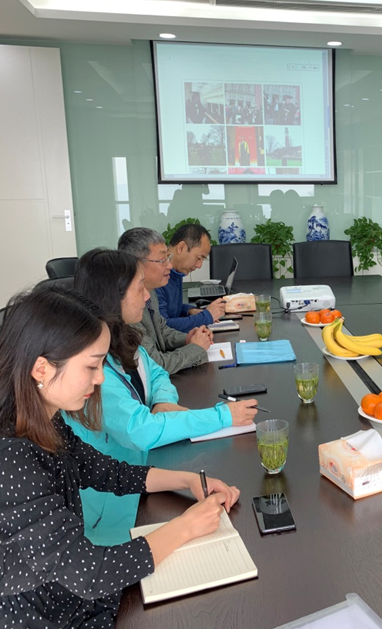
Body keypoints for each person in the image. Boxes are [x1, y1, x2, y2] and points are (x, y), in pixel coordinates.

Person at [0, 287, 240, 626]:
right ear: (41, 369)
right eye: (92, 365)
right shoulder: (6, 463)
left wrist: (187, 480)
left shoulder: (35, 419)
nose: (100, 378)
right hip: (14, 614)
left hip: (49, 587)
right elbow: (92, 573)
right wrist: (186, 527)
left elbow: (104, 471)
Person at [71, 249, 259, 544]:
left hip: (141, 476)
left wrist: (161, 402)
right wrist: (222, 416)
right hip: (112, 514)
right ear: (112, 298)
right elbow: (141, 430)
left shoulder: (124, 336)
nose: (147, 297)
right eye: (139, 289)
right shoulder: (92, 368)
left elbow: (157, 373)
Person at [118, 227, 211, 374]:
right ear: (137, 263)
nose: (169, 265)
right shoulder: (127, 308)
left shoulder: (150, 290)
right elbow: (156, 365)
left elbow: (161, 329)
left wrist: (188, 338)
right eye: (162, 260)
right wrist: (196, 348)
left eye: (168, 258)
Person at [156, 223, 226, 333]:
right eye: (199, 258)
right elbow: (164, 326)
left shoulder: (177, 272)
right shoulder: (156, 278)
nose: (199, 265)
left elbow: (172, 309)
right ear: (181, 248)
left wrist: (190, 310)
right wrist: (206, 316)